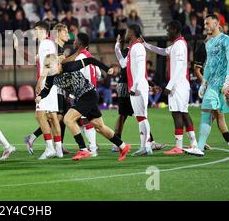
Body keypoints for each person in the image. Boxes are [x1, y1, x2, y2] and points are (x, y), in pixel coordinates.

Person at [36, 54, 131, 161]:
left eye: (51, 66)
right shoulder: (51, 76)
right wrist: (40, 96)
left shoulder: (70, 66)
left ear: (57, 63)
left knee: (68, 119)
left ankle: (83, 149)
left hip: (89, 94)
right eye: (47, 67)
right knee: (99, 126)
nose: (50, 70)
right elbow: (46, 90)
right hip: (82, 97)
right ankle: (123, 146)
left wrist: (106, 69)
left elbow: (90, 60)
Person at [142, 21, 198, 154]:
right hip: (180, 84)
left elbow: (178, 68)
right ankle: (193, 143)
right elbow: (162, 51)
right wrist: (145, 44)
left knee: (177, 113)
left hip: (178, 85)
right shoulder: (177, 45)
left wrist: (169, 86)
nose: (167, 33)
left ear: (174, 30)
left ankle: (179, 146)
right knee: (183, 113)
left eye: (168, 30)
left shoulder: (179, 45)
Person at [185, 14, 229, 156]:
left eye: (207, 23)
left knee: (207, 113)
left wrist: (227, 82)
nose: (205, 26)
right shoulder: (208, 43)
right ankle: (200, 146)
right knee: (215, 115)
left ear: (216, 24)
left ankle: (200, 147)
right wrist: (204, 83)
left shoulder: (226, 40)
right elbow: (208, 65)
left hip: (222, 84)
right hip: (213, 84)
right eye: (204, 24)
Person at [23, 24, 68, 156]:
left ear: (42, 30)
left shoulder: (45, 43)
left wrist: (40, 80)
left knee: (40, 115)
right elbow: (33, 59)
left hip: (46, 82)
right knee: (53, 116)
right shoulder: (48, 43)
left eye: (36, 31)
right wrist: (17, 48)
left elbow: (50, 62)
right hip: (52, 82)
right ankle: (58, 149)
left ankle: (49, 148)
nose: (34, 33)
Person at [115, 25, 153, 156]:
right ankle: (144, 146)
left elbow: (141, 69)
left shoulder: (138, 47)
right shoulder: (132, 48)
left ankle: (146, 146)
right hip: (135, 86)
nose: (125, 34)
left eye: (127, 31)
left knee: (142, 116)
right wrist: (116, 48)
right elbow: (123, 64)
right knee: (140, 117)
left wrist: (134, 86)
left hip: (139, 86)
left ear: (132, 33)